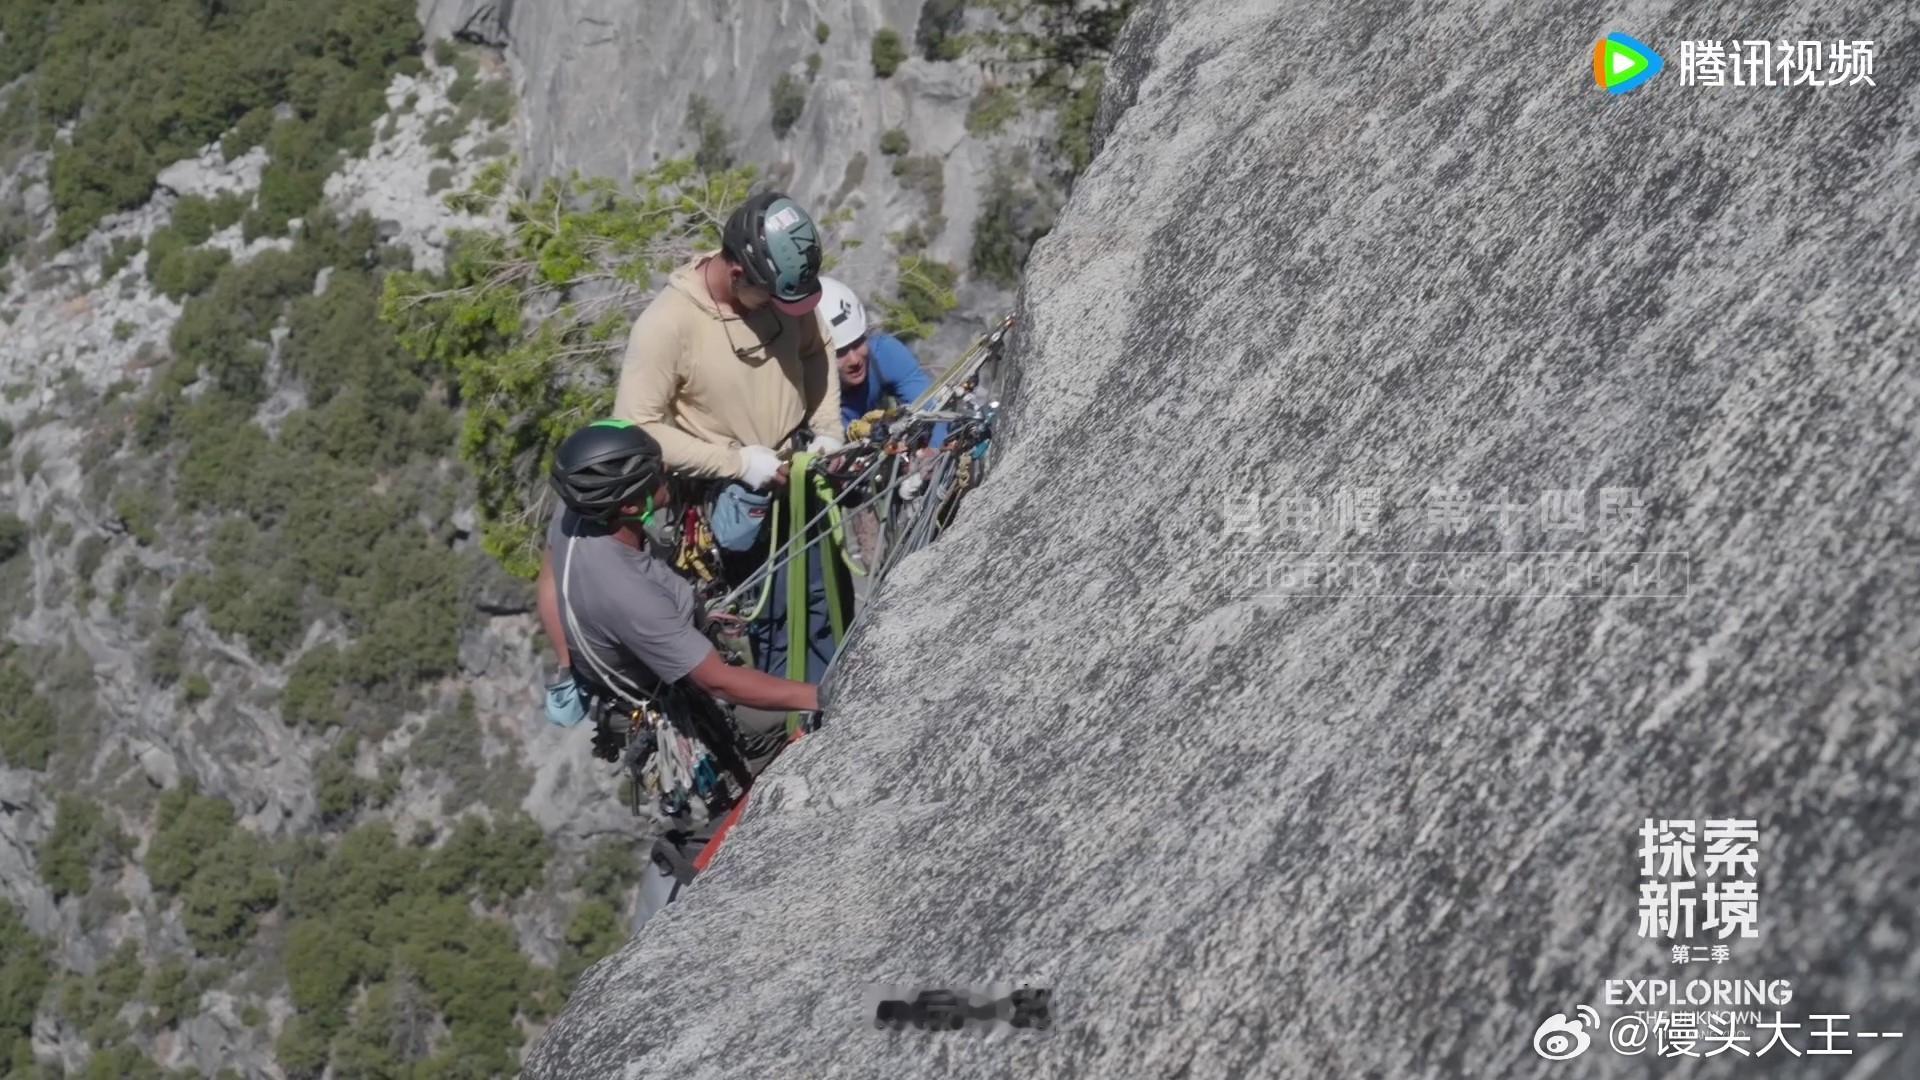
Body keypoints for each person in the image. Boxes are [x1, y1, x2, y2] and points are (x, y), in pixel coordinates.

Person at [535, 419, 819, 720]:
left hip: (624, 677)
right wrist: (823, 695)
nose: (667, 469)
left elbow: (549, 585)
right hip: (667, 695)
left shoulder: (577, 511)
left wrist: (568, 665)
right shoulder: (628, 591)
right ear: (630, 507)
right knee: (779, 721)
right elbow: (718, 681)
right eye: (656, 473)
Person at [613, 191, 844, 491]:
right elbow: (637, 427)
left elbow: (816, 347)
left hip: (799, 472)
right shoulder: (666, 324)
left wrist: (827, 429)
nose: (778, 307)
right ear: (737, 275)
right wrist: (737, 465)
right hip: (726, 495)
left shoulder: (776, 286)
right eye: (770, 297)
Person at [818, 275, 946, 449]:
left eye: (857, 343)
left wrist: (934, 450)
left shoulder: (884, 354)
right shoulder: (809, 396)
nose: (854, 360)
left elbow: (931, 407)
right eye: (839, 353)